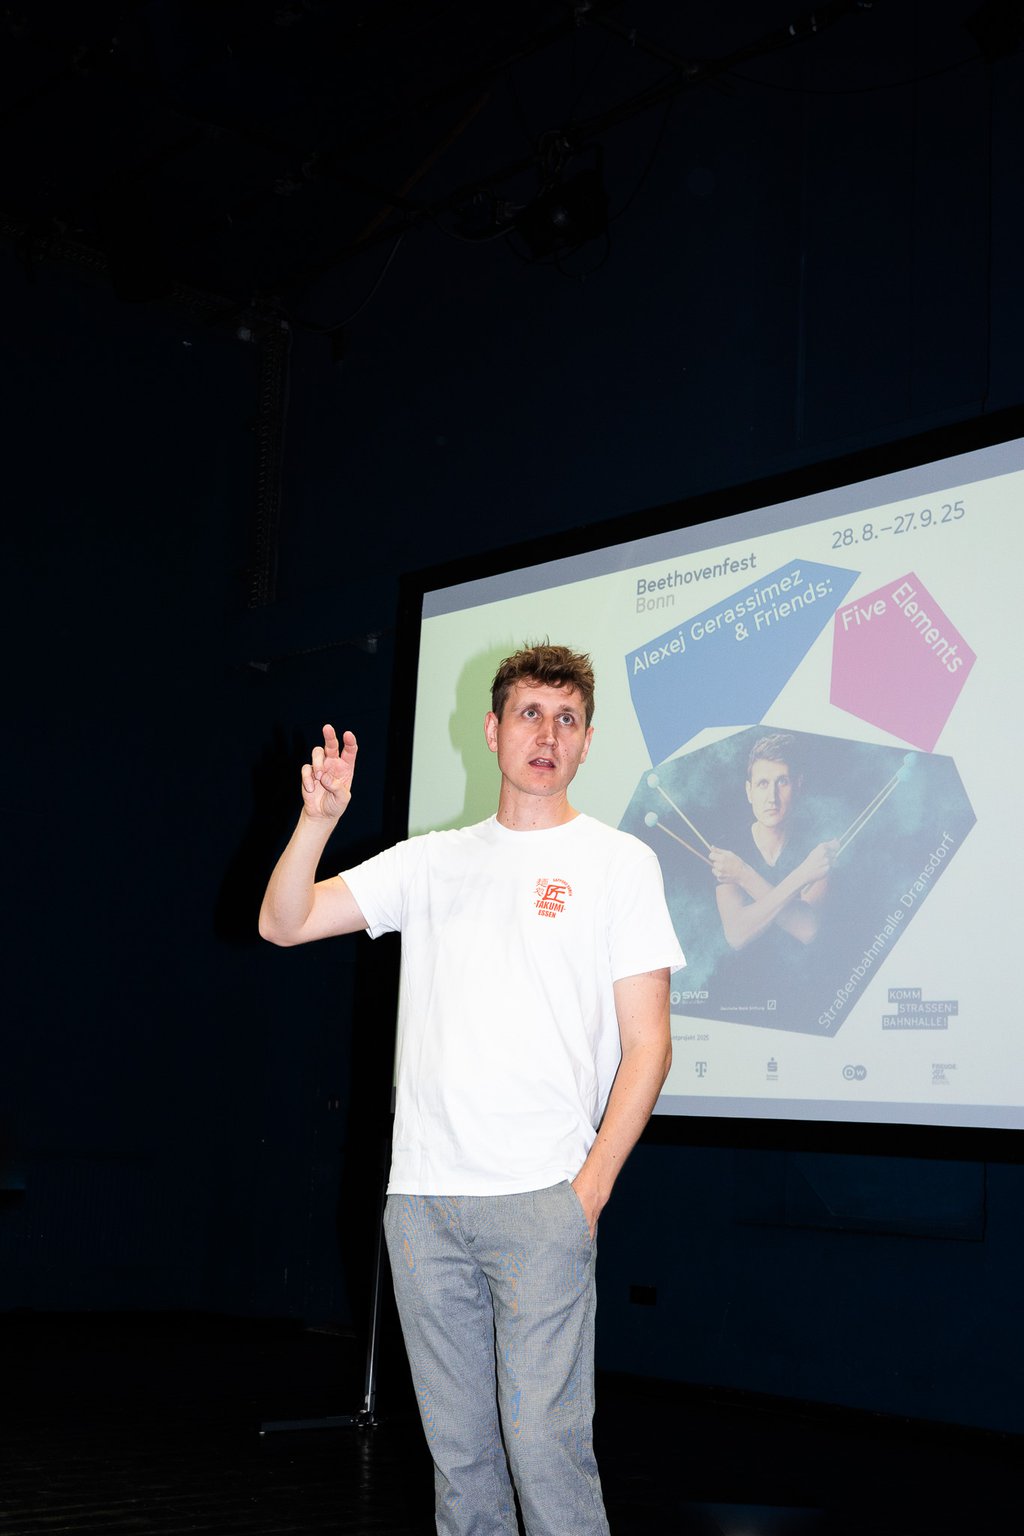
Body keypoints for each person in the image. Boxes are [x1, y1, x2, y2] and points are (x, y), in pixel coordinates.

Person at [259, 644, 685, 1536]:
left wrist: (589, 1191)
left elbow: (649, 1044)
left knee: (545, 1452)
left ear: (587, 741)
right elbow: (284, 922)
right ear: (493, 730)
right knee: (460, 1464)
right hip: (423, 1205)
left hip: (543, 1201)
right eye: (530, 713)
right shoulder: (431, 862)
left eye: (566, 719)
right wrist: (315, 823)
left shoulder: (619, 864)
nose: (547, 734)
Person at [708, 733, 837, 953]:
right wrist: (804, 874)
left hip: (805, 980)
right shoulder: (728, 849)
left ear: (798, 785)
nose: (772, 797)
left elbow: (808, 929)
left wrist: (742, 874)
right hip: (741, 981)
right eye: (762, 784)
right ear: (749, 792)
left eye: (782, 782)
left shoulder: (816, 847)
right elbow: (736, 934)